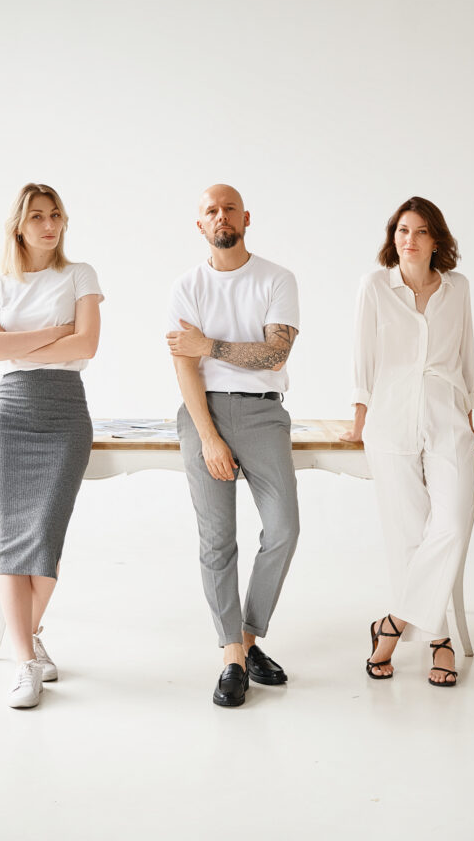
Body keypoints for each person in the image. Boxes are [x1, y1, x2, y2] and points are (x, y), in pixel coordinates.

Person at [342, 197, 474, 687]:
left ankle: (392, 623)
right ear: (394, 237)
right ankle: (438, 640)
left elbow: (466, 356)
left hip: (447, 417)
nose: (409, 239)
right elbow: (363, 357)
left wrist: (470, 420)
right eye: (402, 230)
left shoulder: (457, 288)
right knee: (409, 533)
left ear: (435, 240)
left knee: (453, 521)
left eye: (421, 231)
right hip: (389, 419)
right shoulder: (374, 287)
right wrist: (359, 419)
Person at [166, 184, 300, 707]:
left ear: (246, 218)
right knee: (217, 540)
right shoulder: (187, 286)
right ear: (200, 224)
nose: (220, 216)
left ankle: (245, 639)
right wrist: (208, 437)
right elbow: (185, 367)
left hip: (264, 412)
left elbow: (275, 355)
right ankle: (231, 659)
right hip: (204, 413)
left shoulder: (276, 278)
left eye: (229, 208)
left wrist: (210, 345)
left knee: (283, 529)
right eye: (210, 210)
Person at [0, 183, 103, 708]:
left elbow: (87, 343)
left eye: (55, 215)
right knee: (11, 541)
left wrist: (16, 340)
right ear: (19, 225)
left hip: (65, 412)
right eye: (37, 216)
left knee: (45, 539)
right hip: (10, 414)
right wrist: (57, 332)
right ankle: (25, 662)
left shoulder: (80, 274)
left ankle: (22, 638)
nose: (49, 225)